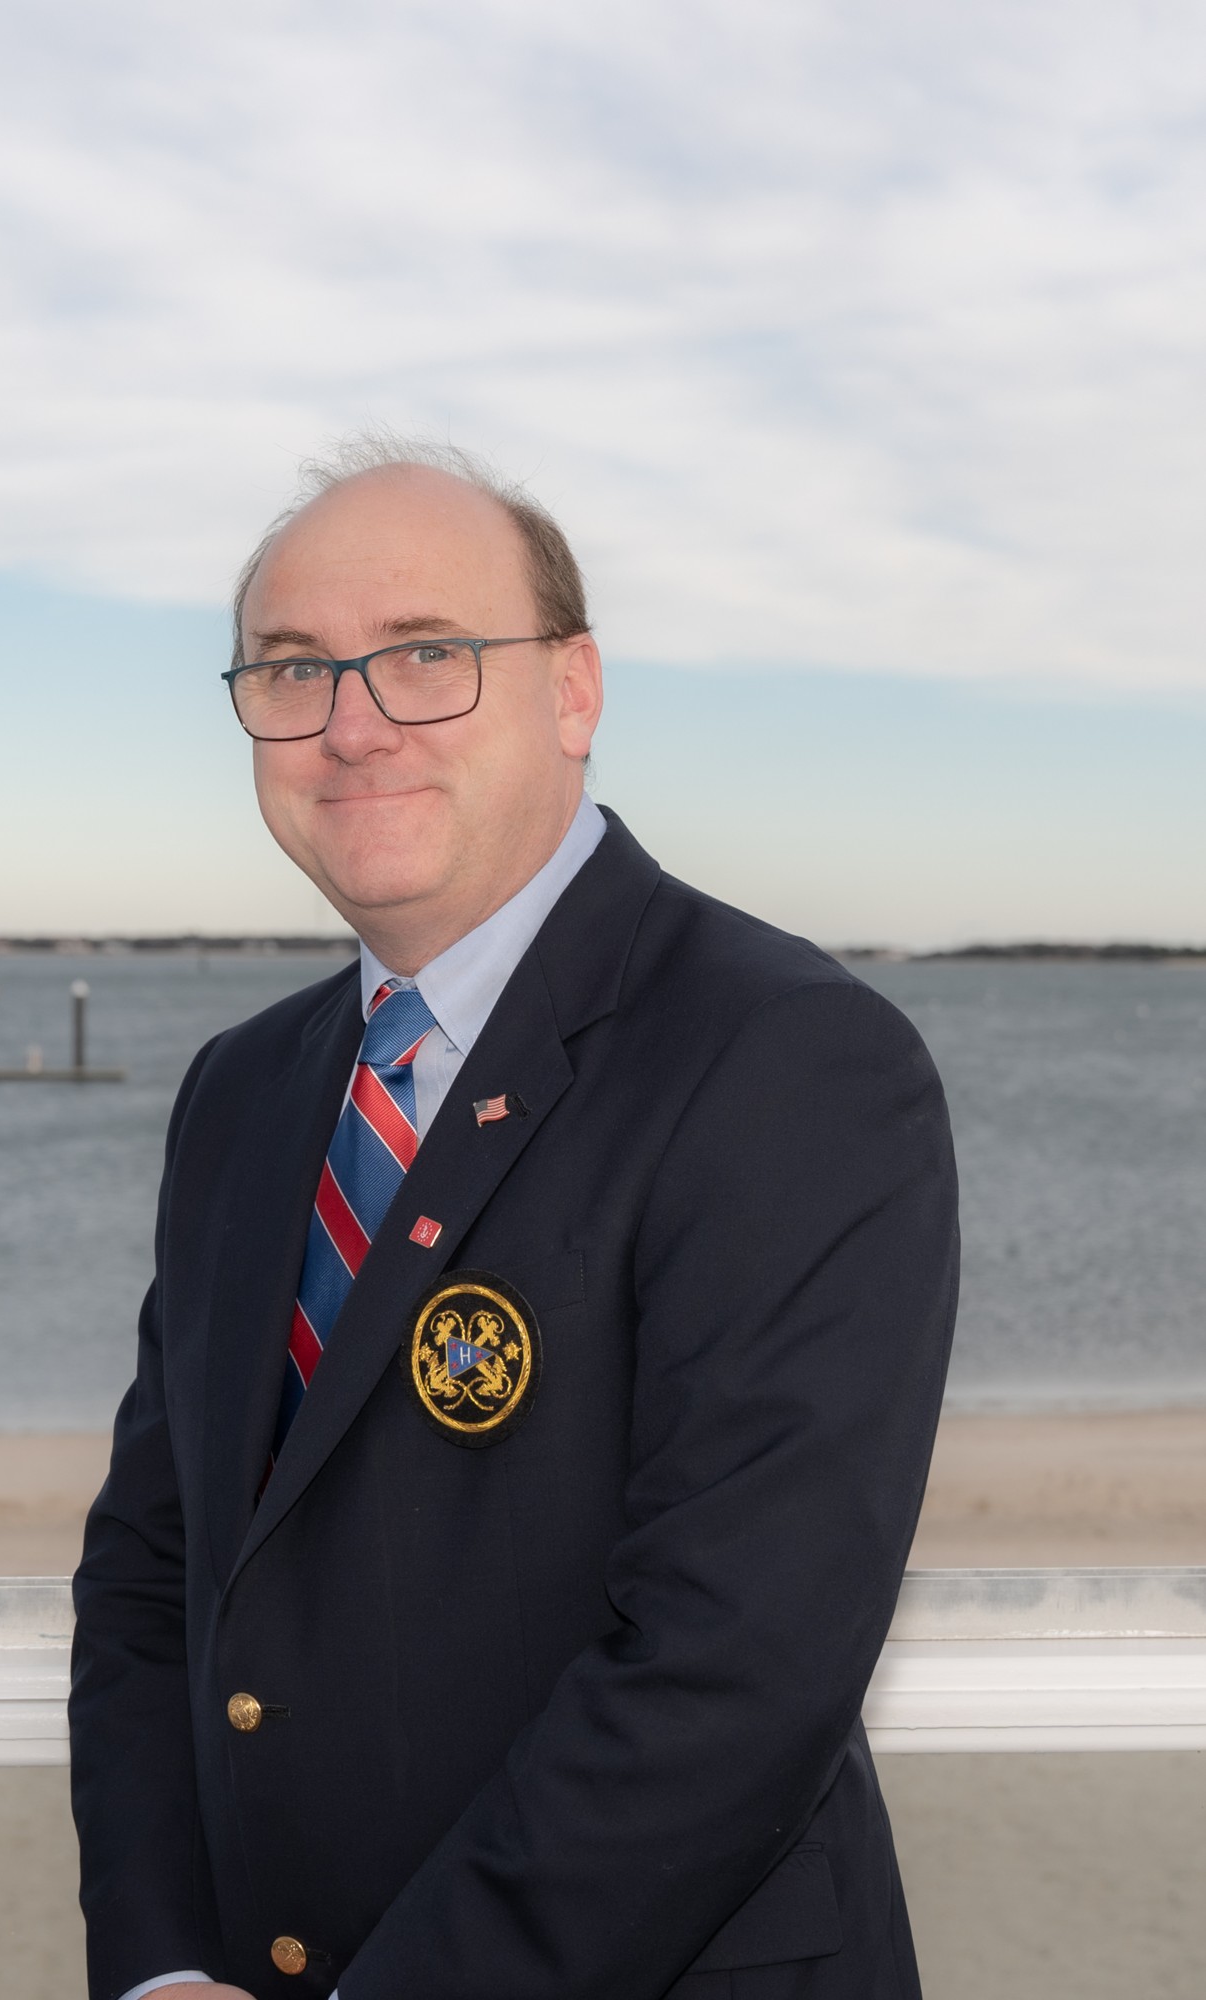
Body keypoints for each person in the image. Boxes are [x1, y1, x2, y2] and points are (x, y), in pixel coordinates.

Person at [69, 437, 959, 2000]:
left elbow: (734, 1665)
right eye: (292, 670)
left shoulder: (788, 1060)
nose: (351, 724)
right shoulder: (243, 1093)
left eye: (425, 654)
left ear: (573, 690)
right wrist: (156, 1969)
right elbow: (155, 1573)